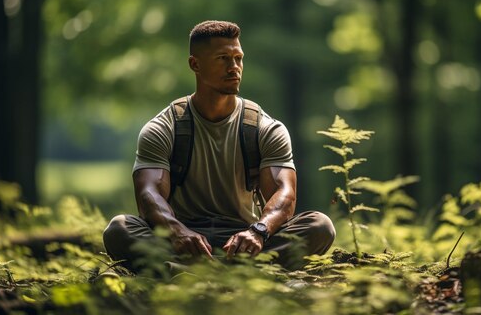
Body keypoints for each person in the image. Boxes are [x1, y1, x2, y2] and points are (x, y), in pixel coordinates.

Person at [103, 20, 335, 271]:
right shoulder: (163, 128)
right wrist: (178, 232)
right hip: (183, 243)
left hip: (246, 242)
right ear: (195, 64)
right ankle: (246, 275)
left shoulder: (266, 128)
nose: (234, 67)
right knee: (119, 229)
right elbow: (148, 195)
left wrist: (258, 231)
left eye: (238, 58)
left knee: (320, 226)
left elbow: (285, 194)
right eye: (223, 58)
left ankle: (184, 274)